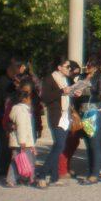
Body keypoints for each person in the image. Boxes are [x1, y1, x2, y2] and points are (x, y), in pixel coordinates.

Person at [37, 59, 72, 187]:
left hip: (64, 115)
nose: (69, 68)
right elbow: (45, 97)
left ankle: (54, 177)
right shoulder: (50, 79)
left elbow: (65, 97)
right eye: (67, 66)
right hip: (55, 115)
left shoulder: (64, 79)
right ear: (59, 67)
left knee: (60, 146)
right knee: (59, 145)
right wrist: (62, 92)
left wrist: (73, 92)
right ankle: (42, 174)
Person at [5, 86, 36, 187]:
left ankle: (26, 177)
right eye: (29, 98)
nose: (30, 100)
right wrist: (23, 141)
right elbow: (21, 127)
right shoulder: (21, 111)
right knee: (20, 160)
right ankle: (13, 179)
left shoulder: (21, 109)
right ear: (24, 99)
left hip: (21, 140)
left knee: (21, 160)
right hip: (22, 141)